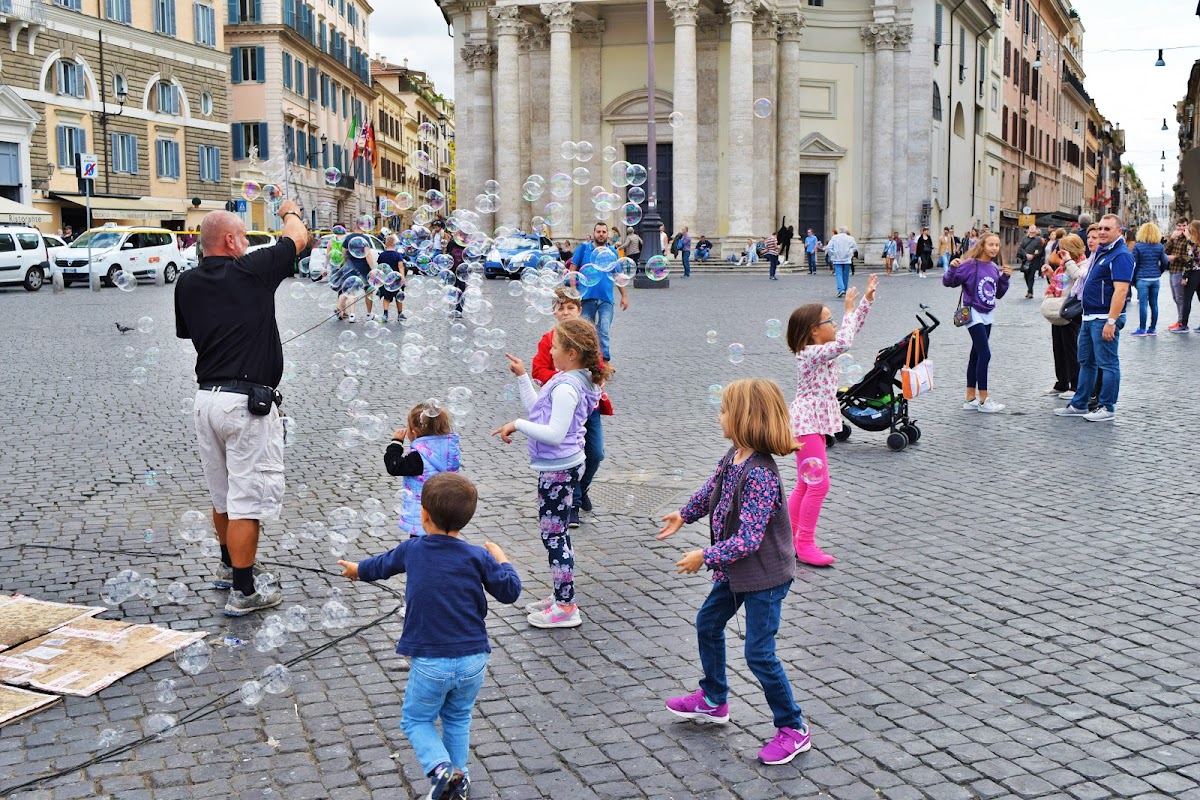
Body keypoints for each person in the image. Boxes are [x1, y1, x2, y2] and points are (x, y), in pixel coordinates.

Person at [337, 473, 521, 800]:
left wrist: (356, 569)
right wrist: (502, 560)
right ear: (465, 520)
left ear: (423, 514)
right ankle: (456, 783)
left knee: (415, 720)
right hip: (473, 660)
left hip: (431, 663)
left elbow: (380, 566)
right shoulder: (478, 556)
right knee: (457, 717)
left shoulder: (413, 550)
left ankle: (441, 769)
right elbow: (509, 592)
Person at [657, 379, 810, 766]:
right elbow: (713, 489)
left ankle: (793, 728)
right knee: (708, 623)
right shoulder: (734, 455)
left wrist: (704, 556)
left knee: (759, 653)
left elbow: (749, 540)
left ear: (743, 418)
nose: (718, 415)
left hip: (765, 577)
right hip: (735, 571)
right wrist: (684, 513)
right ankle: (713, 698)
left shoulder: (760, 473)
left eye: (724, 410)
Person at [174, 203, 309, 616]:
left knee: (222, 495)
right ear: (231, 241)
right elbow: (298, 238)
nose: (248, 244)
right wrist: (288, 210)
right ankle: (244, 591)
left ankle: (228, 566)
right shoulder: (250, 271)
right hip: (245, 405)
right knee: (247, 499)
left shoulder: (185, 283)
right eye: (245, 238)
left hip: (206, 400)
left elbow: (188, 332)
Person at [491, 319, 610, 629]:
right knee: (558, 534)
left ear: (571, 353)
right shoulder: (571, 378)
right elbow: (538, 411)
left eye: (554, 347)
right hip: (563, 466)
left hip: (559, 469)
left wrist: (516, 425)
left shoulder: (568, 386)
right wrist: (522, 378)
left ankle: (566, 607)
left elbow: (554, 433)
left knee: (553, 536)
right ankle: (561, 594)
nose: (550, 351)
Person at [785, 275, 878, 566]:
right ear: (814, 331)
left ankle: (787, 539)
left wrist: (865, 302)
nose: (835, 323)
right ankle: (805, 543)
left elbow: (847, 335)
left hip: (814, 420)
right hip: (808, 421)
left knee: (805, 483)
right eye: (829, 320)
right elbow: (845, 342)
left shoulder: (818, 350)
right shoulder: (810, 353)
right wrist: (850, 307)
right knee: (818, 485)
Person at [532, 289, 613, 527]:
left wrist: (598, 378)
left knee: (596, 453)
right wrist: (565, 379)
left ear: (579, 310)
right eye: (561, 307)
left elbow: (598, 367)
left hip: (588, 406)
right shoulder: (549, 339)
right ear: (554, 312)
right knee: (569, 453)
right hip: (563, 405)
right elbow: (538, 371)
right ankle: (573, 504)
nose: (566, 312)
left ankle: (582, 487)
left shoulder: (586, 336)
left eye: (571, 307)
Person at [1053, 213, 1134, 423]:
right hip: (1089, 316)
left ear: (1119, 231)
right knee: (1086, 362)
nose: (1102, 232)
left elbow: (1121, 291)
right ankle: (1080, 403)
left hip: (1103, 317)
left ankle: (1107, 407)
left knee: (1107, 363)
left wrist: (1111, 321)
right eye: (1101, 229)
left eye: (1108, 229)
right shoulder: (1101, 252)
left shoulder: (1121, 255)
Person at [943, 233, 1013, 413]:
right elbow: (949, 282)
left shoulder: (993, 267)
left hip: (988, 312)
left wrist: (1004, 279)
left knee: (976, 354)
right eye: (991, 244)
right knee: (985, 353)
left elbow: (998, 293)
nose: (994, 248)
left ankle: (970, 398)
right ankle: (984, 400)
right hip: (973, 311)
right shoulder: (969, 264)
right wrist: (952, 268)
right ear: (982, 245)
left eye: (997, 245)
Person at [386, 401, 462, 538]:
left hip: (422, 519)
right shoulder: (449, 450)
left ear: (414, 433)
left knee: (420, 553)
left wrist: (396, 443)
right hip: (445, 514)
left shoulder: (418, 457)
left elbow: (394, 466)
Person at [572, 222, 629, 361]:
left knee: (604, 329)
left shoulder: (612, 252)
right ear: (594, 233)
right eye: (599, 231)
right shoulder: (584, 249)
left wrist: (624, 296)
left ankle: (604, 362)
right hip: (586, 298)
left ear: (607, 234)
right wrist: (573, 290)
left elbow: (617, 276)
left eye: (604, 231)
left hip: (606, 299)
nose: (601, 234)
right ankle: (588, 361)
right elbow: (573, 269)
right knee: (586, 332)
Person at [1039, 233, 1087, 397]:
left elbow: (1078, 278)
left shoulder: (1083, 263)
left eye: (1063, 249)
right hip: (1058, 308)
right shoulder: (1063, 265)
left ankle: (1075, 385)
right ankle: (1061, 382)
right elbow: (1063, 282)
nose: (1060, 252)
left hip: (1071, 311)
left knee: (1071, 349)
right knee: (1058, 348)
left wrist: (1068, 261)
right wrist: (1051, 274)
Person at [1129, 222, 1169, 336]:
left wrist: (1133, 279)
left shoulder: (1138, 246)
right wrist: (1159, 271)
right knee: (1154, 304)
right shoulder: (1159, 246)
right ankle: (1152, 328)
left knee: (1143, 304)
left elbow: (1134, 264)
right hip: (1155, 279)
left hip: (1142, 278)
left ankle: (1142, 329)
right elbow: (1165, 262)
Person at [335, 231, 376, 323]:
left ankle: (352, 315)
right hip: (364, 268)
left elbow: (344, 254)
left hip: (351, 267)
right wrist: (373, 269)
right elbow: (368, 255)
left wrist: (346, 265)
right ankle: (369, 314)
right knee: (368, 291)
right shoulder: (365, 238)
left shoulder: (348, 238)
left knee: (350, 291)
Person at [1165, 219, 1193, 331]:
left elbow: (1189, 256)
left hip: (1181, 270)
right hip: (1173, 270)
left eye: (1184, 225)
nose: (1181, 228)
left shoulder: (1189, 239)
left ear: (1187, 226)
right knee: (1176, 298)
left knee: (1181, 298)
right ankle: (1180, 320)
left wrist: (1175, 257)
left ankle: (1182, 322)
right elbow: (1166, 250)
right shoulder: (1175, 238)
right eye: (1179, 225)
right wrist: (1171, 238)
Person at [376, 234, 405, 323]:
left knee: (386, 297)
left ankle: (385, 313)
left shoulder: (382, 255)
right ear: (394, 244)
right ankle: (400, 314)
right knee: (398, 296)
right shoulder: (398, 255)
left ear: (385, 243)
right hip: (396, 279)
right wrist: (402, 277)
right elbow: (400, 267)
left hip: (385, 279)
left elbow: (380, 267)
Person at [1177, 221, 1200, 332]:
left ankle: (1184, 325)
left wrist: (1185, 276)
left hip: (1194, 273)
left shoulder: (1191, 242)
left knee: (1187, 299)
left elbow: (1189, 260)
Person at [825, 227, 857, 298]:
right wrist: (850, 253)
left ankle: (841, 289)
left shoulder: (834, 238)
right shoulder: (850, 238)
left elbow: (829, 247)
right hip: (847, 259)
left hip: (837, 259)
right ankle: (844, 289)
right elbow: (855, 247)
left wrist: (833, 254)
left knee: (838, 274)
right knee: (845, 275)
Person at [1018, 225, 1046, 299]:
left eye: (1034, 228)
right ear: (1028, 230)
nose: (1032, 229)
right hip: (1025, 259)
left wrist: (1033, 255)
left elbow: (1040, 250)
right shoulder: (1024, 238)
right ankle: (1029, 288)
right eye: (1031, 228)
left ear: (1036, 230)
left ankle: (1030, 291)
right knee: (1026, 274)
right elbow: (1020, 248)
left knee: (1031, 275)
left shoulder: (1039, 239)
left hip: (1034, 260)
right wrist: (1026, 254)